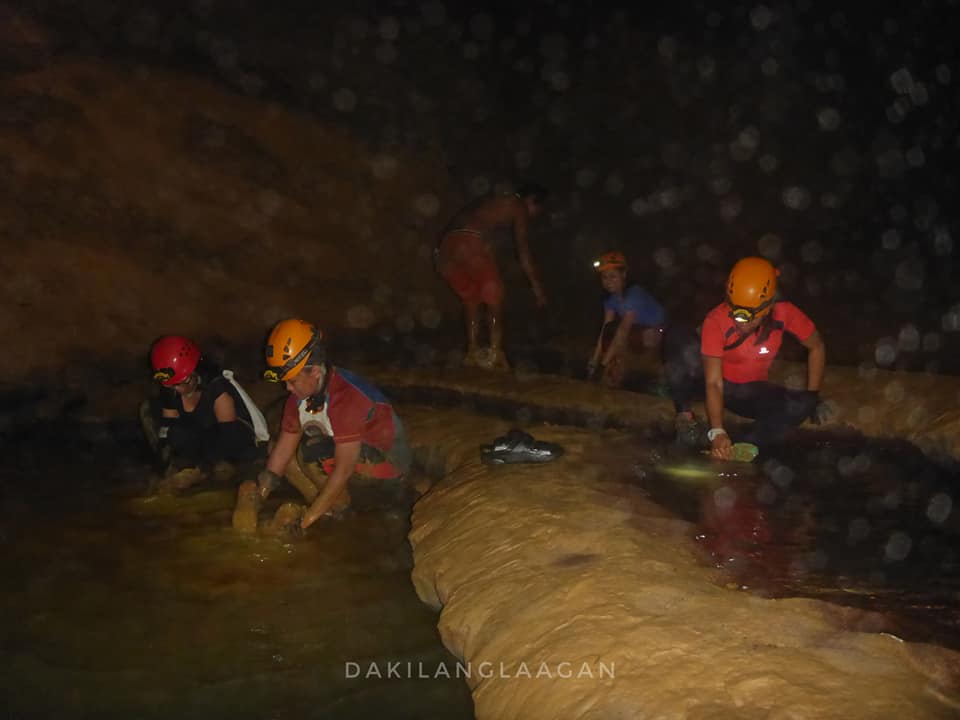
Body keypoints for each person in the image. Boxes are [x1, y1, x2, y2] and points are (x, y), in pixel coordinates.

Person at [233, 318, 413, 533]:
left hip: (389, 474)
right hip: (349, 465)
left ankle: (340, 509)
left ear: (316, 372)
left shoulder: (347, 396)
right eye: (284, 381)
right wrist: (258, 497)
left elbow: (344, 469)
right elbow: (282, 453)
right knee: (277, 449)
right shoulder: (299, 397)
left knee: (313, 451)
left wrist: (305, 521)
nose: (287, 388)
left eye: (292, 380)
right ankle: (329, 509)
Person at [663, 256, 829, 458]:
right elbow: (713, 383)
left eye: (746, 316)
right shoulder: (716, 320)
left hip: (748, 391)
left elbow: (817, 346)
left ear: (767, 308)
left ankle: (745, 446)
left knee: (803, 403)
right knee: (677, 335)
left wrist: (813, 395)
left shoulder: (784, 313)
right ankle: (685, 418)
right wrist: (717, 431)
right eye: (734, 310)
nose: (738, 321)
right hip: (709, 382)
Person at [435, 183, 549, 370]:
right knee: (494, 296)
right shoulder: (518, 204)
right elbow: (523, 251)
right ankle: (495, 352)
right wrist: (537, 288)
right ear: (531, 201)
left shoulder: (490, 204)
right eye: (536, 211)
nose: (532, 216)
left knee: (471, 299)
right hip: (468, 242)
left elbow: (475, 233)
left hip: (445, 250)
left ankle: (472, 352)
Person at [140, 335, 269, 491]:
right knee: (152, 413)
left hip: (234, 440)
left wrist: (199, 471)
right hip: (203, 436)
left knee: (223, 466)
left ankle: (215, 473)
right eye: (173, 385)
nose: (178, 389)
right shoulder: (170, 387)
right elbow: (168, 430)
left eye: (183, 383)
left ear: (194, 371)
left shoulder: (217, 389)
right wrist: (162, 468)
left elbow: (231, 437)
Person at [587, 250, 667, 388]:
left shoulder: (634, 294)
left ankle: (650, 372)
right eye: (604, 277)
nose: (608, 282)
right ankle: (613, 377)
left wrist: (602, 364)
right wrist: (595, 359)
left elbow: (623, 331)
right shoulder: (611, 299)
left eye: (613, 276)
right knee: (610, 331)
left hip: (658, 334)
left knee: (622, 336)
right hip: (636, 334)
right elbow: (605, 329)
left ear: (623, 275)